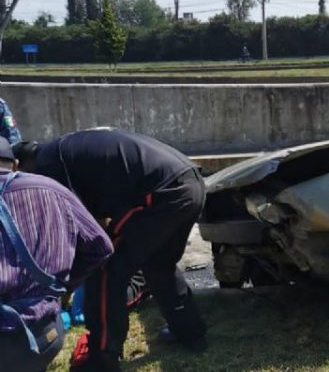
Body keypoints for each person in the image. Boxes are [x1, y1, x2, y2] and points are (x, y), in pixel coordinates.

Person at [13, 128, 207, 372]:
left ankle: (102, 358)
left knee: (105, 269)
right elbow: (93, 219)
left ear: (20, 165)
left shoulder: (48, 165)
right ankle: (190, 333)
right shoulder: (64, 151)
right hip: (188, 183)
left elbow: (80, 228)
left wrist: (67, 284)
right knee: (159, 265)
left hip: (158, 194)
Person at [0, 136, 113, 372]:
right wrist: (64, 286)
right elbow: (101, 247)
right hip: (46, 335)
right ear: (15, 164)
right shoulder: (52, 188)